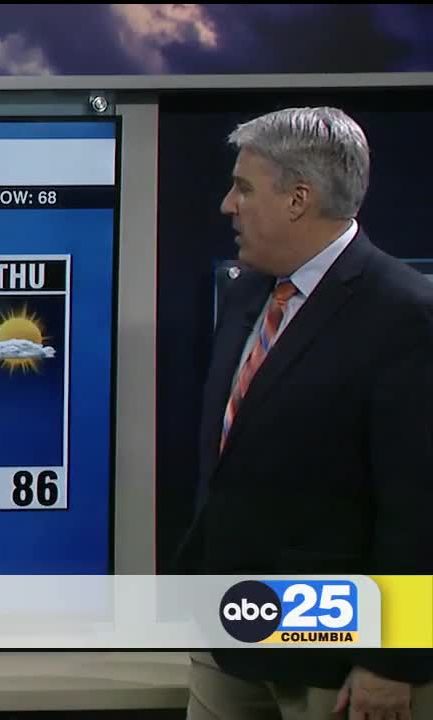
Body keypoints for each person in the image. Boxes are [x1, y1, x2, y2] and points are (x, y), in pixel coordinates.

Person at [174, 106, 433, 720]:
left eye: (244, 188)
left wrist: (393, 659)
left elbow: (420, 507)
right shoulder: (251, 293)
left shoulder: (405, 317)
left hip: (331, 661)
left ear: (298, 199)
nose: (227, 206)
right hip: (228, 635)